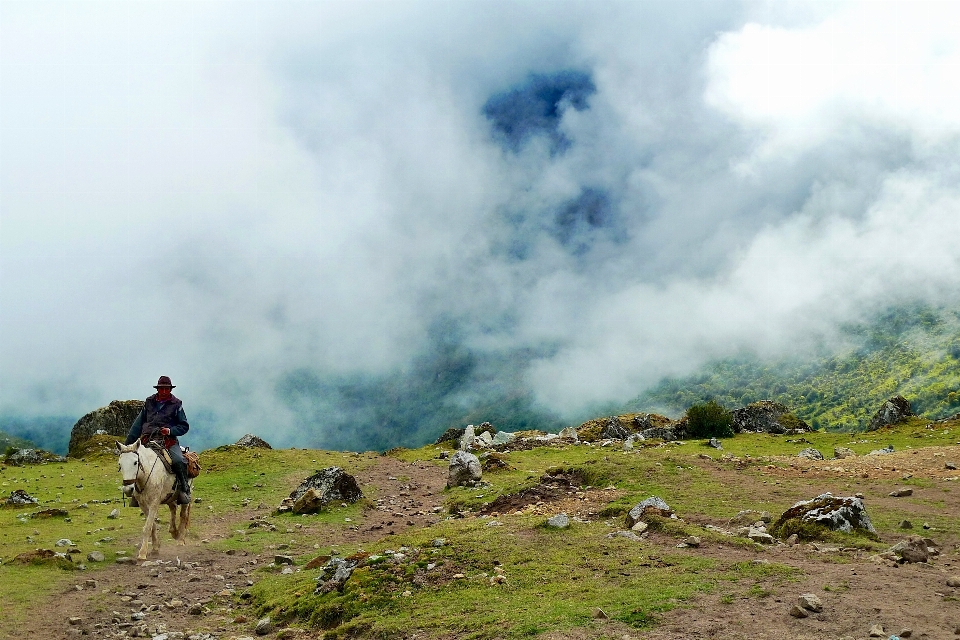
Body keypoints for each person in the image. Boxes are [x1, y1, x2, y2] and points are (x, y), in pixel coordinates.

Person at [125, 376, 192, 504]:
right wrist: (127, 445)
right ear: (158, 389)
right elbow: (138, 424)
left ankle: (184, 489)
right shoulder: (149, 402)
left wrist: (170, 431)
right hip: (147, 440)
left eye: (167, 389)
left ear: (170, 389)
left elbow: (184, 426)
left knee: (178, 460)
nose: (164, 391)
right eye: (162, 389)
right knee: (135, 461)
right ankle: (136, 494)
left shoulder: (176, 404)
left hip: (168, 441)